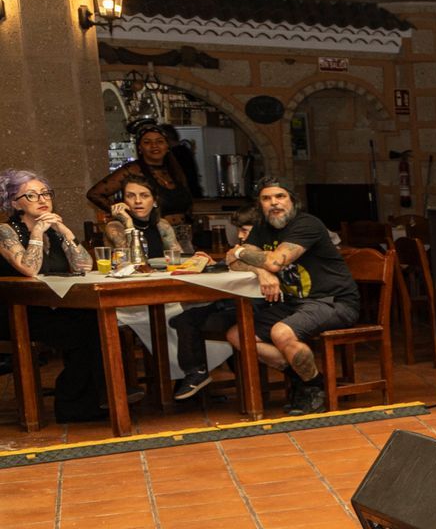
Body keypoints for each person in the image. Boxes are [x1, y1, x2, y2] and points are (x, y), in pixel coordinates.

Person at [171, 179, 358, 415]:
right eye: (266, 199)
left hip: (333, 301)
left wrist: (242, 251)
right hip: (293, 303)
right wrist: (260, 272)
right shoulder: (262, 227)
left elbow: (273, 261)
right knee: (239, 335)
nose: (274, 203)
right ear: (260, 205)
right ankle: (307, 379)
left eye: (280, 197)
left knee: (281, 332)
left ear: (293, 202)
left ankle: (313, 389)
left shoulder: (306, 224)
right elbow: (234, 261)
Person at [0, 170, 107, 422]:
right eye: (31, 195)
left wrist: (63, 230)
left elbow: (85, 266)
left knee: (98, 321)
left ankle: (87, 399)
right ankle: (74, 401)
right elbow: (29, 269)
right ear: (15, 203)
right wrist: (36, 233)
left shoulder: (53, 230)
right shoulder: (6, 231)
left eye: (46, 193)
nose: (42, 199)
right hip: (14, 310)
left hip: (50, 306)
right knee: (85, 330)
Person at [110, 178, 235, 382]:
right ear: (123, 201)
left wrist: (197, 260)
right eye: (130, 196)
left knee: (199, 310)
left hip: (164, 292)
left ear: (155, 201)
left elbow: (177, 257)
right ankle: (184, 375)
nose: (137, 201)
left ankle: (192, 374)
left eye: (144, 195)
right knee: (178, 315)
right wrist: (128, 222)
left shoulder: (162, 225)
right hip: (132, 299)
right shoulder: (115, 226)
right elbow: (135, 261)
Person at [88, 123, 194, 231]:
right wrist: (124, 214)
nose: (154, 146)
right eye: (147, 142)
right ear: (140, 147)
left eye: (159, 141)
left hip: (183, 235)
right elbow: (95, 194)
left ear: (167, 146)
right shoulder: (133, 170)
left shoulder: (175, 170)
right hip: (153, 234)